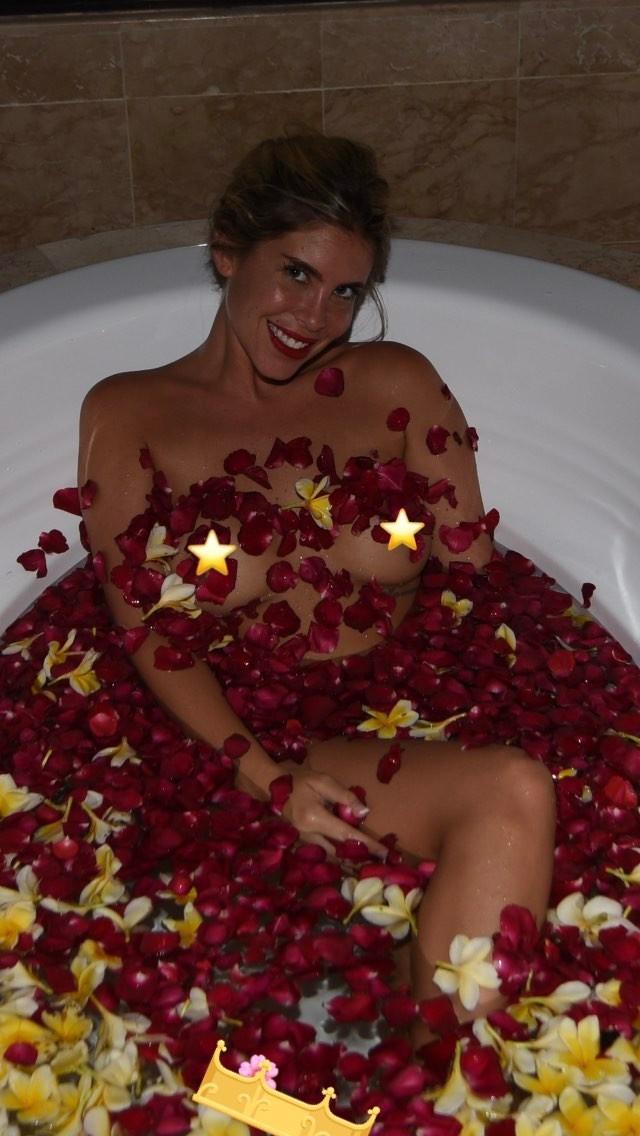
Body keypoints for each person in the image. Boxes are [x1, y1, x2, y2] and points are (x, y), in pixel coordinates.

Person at [77, 131, 556, 1042]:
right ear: (229, 251)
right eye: (295, 274)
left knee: (517, 789)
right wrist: (268, 780)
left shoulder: (397, 382)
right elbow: (146, 631)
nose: (316, 315)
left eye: (345, 292)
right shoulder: (131, 411)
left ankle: (439, 1075)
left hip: (394, 716)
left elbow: (474, 576)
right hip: (222, 740)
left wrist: (463, 712)